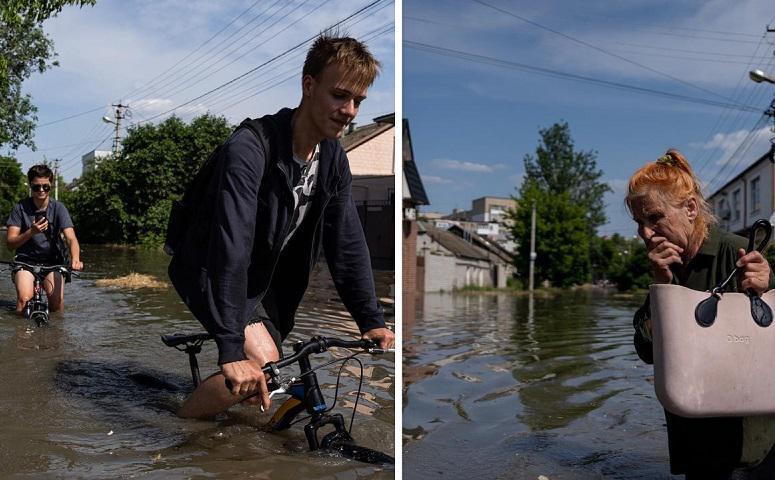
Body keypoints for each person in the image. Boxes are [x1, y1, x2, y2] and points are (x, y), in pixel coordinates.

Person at [168, 33, 395, 419]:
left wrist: (370, 319)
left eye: (359, 101)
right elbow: (230, 244)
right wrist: (229, 345)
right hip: (209, 266)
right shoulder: (250, 148)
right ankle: (172, 429)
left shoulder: (333, 157)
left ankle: (230, 433)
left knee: (268, 375)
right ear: (309, 85)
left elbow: (346, 241)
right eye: (340, 96)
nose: (350, 111)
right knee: (264, 365)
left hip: (263, 281)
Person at [627, 149, 775, 479]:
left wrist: (767, 284)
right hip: (694, 431)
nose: (645, 234)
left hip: (750, 437)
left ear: (691, 208)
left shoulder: (736, 252)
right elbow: (648, 352)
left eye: (654, 218)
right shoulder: (666, 266)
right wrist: (661, 289)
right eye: (639, 223)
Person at [6, 164, 83, 314]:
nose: (41, 190)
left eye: (45, 187)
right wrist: (31, 232)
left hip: (53, 262)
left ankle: (55, 335)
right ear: (30, 186)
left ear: (51, 184)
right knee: (24, 300)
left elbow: (71, 238)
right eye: (36, 187)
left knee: (56, 303)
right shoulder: (19, 208)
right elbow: (10, 243)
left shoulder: (59, 208)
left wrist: (76, 258)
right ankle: (22, 335)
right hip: (25, 261)